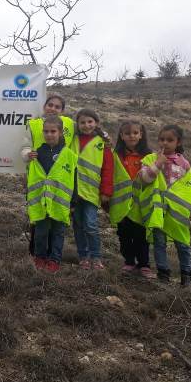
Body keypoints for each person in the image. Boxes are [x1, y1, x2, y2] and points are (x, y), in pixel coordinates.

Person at [139, 125, 191, 286]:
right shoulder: (151, 158)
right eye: (162, 139)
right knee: (159, 243)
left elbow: (189, 188)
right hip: (158, 210)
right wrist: (158, 163)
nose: (165, 143)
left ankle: (187, 277)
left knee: (183, 244)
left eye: (170, 140)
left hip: (177, 213)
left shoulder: (184, 164)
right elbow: (145, 179)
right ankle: (163, 274)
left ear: (178, 142)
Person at [21, 94, 75, 256]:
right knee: (38, 217)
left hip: (60, 180)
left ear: (62, 110)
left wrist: (105, 136)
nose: (53, 108)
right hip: (37, 177)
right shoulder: (33, 124)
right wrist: (27, 154)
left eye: (57, 107)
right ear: (44, 106)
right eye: (50, 105)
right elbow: (24, 146)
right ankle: (36, 253)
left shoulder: (71, 125)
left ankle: (53, 255)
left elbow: (90, 128)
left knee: (56, 217)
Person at [26, 115, 77, 273]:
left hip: (60, 203)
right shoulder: (37, 153)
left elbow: (72, 178)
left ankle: (54, 260)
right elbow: (33, 176)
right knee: (41, 232)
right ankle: (40, 257)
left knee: (58, 232)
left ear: (60, 132)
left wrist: (73, 202)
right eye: (46, 131)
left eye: (53, 131)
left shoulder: (68, 154)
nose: (49, 134)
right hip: (41, 201)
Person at [110, 120, 154, 278]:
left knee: (141, 234)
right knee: (124, 233)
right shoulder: (116, 156)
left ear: (141, 134)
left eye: (135, 133)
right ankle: (129, 262)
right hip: (122, 203)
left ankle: (144, 264)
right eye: (127, 133)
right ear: (121, 136)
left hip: (141, 203)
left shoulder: (149, 156)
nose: (132, 136)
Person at [71, 109, 113, 270]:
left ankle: (95, 257)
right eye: (82, 122)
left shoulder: (103, 143)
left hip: (91, 192)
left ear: (96, 123)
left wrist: (106, 192)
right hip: (74, 192)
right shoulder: (72, 139)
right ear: (78, 124)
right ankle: (83, 257)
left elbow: (108, 169)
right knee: (78, 225)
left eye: (90, 122)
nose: (86, 125)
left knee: (90, 225)